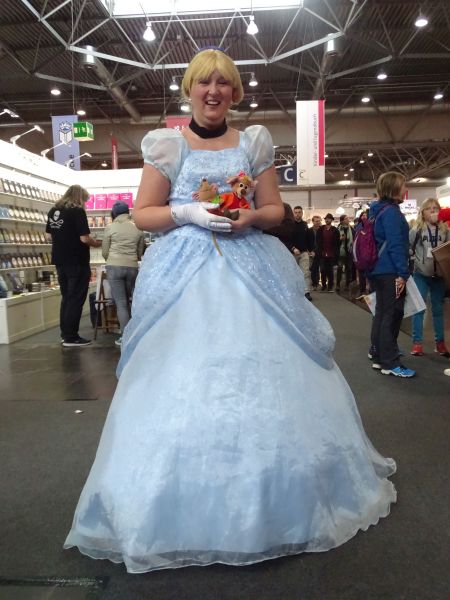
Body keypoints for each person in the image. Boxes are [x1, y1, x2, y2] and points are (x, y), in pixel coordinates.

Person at [64, 48, 397, 573]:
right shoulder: (168, 144)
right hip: (185, 272)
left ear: (235, 92)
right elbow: (145, 213)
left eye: (223, 83)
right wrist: (188, 211)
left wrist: (250, 218)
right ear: (190, 90)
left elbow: (275, 208)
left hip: (250, 267)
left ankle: (275, 500)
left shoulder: (252, 142)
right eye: (205, 82)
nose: (214, 91)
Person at [368, 172, 415, 377]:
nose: (406, 189)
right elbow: (396, 245)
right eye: (403, 185)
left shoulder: (377, 210)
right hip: (390, 270)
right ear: (394, 187)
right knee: (391, 315)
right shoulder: (392, 213)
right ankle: (390, 362)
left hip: (378, 269)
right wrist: (403, 273)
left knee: (382, 314)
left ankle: (380, 356)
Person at [46, 185, 101, 347]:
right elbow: (84, 238)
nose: (85, 203)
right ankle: (71, 337)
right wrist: (96, 243)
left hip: (59, 260)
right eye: (85, 200)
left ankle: (65, 334)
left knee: (67, 297)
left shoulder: (53, 210)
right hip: (77, 260)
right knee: (76, 297)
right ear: (79, 197)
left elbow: (48, 236)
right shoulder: (77, 211)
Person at [102, 201, 146, 347]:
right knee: (131, 301)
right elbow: (140, 252)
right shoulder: (137, 228)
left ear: (113, 213)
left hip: (114, 267)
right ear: (128, 212)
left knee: (121, 303)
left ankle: (125, 336)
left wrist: (111, 259)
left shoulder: (110, 227)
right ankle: (135, 334)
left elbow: (105, 251)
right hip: (132, 267)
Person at [409, 198, 450, 357]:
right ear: (423, 212)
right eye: (429, 208)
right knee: (419, 308)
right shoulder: (417, 230)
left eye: (435, 208)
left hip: (439, 276)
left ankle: (440, 343)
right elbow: (409, 247)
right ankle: (417, 343)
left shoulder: (445, 230)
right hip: (421, 274)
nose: (433, 211)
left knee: (438, 309)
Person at [292, 205, 314, 300]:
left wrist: (311, 250)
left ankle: (306, 292)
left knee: (305, 273)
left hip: (304, 253)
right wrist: (293, 248)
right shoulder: (290, 225)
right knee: (293, 273)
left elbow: (309, 238)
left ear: (302, 213)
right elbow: (287, 239)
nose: (297, 214)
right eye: (296, 212)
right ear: (293, 213)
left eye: (299, 212)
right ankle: (294, 292)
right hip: (292, 253)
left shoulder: (305, 225)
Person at [316, 213, 339, 292]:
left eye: (329, 219)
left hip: (331, 253)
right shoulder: (321, 229)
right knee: (322, 270)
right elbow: (318, 241)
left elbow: (337, 244)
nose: (327, 220)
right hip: (322, 253)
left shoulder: (335, 230)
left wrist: (336, 254)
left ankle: (330, 286)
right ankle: (323, 285)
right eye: (326, 219)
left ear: (331, 220)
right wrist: (318, 250)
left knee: (330, 271)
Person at [336, 214, 354, 292]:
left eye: (348, 218)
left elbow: (354, 238)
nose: (348, 220)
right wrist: (340, 239)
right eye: (346, 219)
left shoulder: (351, 229)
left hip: (349, 251)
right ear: (342, 221)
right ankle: (338, 285)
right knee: (339, 268)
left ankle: (347, 285)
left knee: (348, 269)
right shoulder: (338, 229)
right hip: (341, 252)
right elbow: (334, 241)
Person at [354, 210, 369, 295]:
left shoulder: (371, 226)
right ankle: (362, 289)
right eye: (363, 215)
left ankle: (368, 289)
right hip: (359, 252)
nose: (364, 216)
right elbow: (356, 240)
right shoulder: (358, 227)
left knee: (368, 272)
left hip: (368, 252)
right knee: (361, 271)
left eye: (365, 215)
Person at [308, 215, 322, 290]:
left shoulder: (323, 230)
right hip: (312, 251)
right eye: (316, 221)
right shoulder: (309, 230)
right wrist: (310, 251)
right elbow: (307, 241)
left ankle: (320, 283)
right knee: (314, 268)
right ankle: (315, 284)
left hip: (321, 251)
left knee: (321, 268)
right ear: (313, 222)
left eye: (319, 221)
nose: (318, 222)